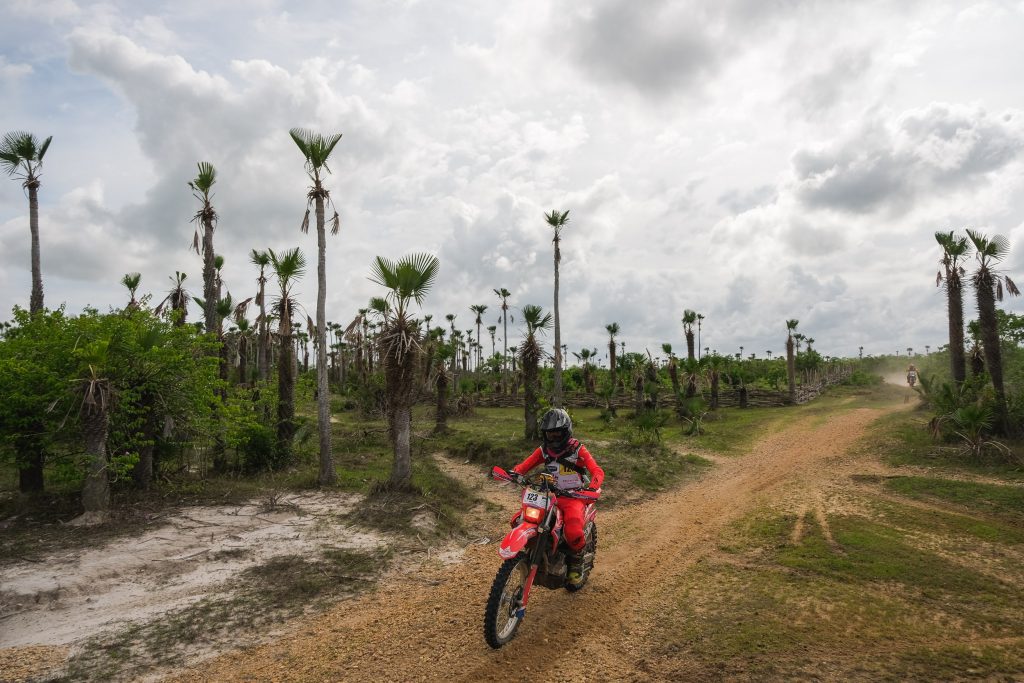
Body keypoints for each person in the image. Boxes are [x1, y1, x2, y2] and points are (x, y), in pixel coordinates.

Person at [511, 408, 604, 586]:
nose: (553, 438)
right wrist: (514, 473)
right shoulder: (544, 450)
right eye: (549, 434)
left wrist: (593, 486)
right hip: (549, 494)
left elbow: (597, 470)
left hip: (573, 496)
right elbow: (524, 465)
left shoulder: (578, 450)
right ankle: (536, 550)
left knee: (574, 530)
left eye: (557, 434)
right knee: (519, 518)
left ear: (566, 432)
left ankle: (576, 563)